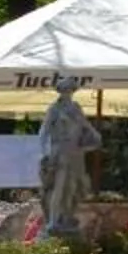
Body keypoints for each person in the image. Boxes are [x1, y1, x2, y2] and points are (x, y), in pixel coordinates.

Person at [38, 85, 98, 239]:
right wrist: (44, 153)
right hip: (60, 151)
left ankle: (66, 217)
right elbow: (43, 131)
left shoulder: (76, 107)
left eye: (70, 89)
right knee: (59, 186)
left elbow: (85, 124)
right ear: (61, 91)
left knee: (72, 188)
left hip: (75, 152)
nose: (68, 92)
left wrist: (94, 133)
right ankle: (53, 221)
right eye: (65, 89)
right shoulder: (55, 109)